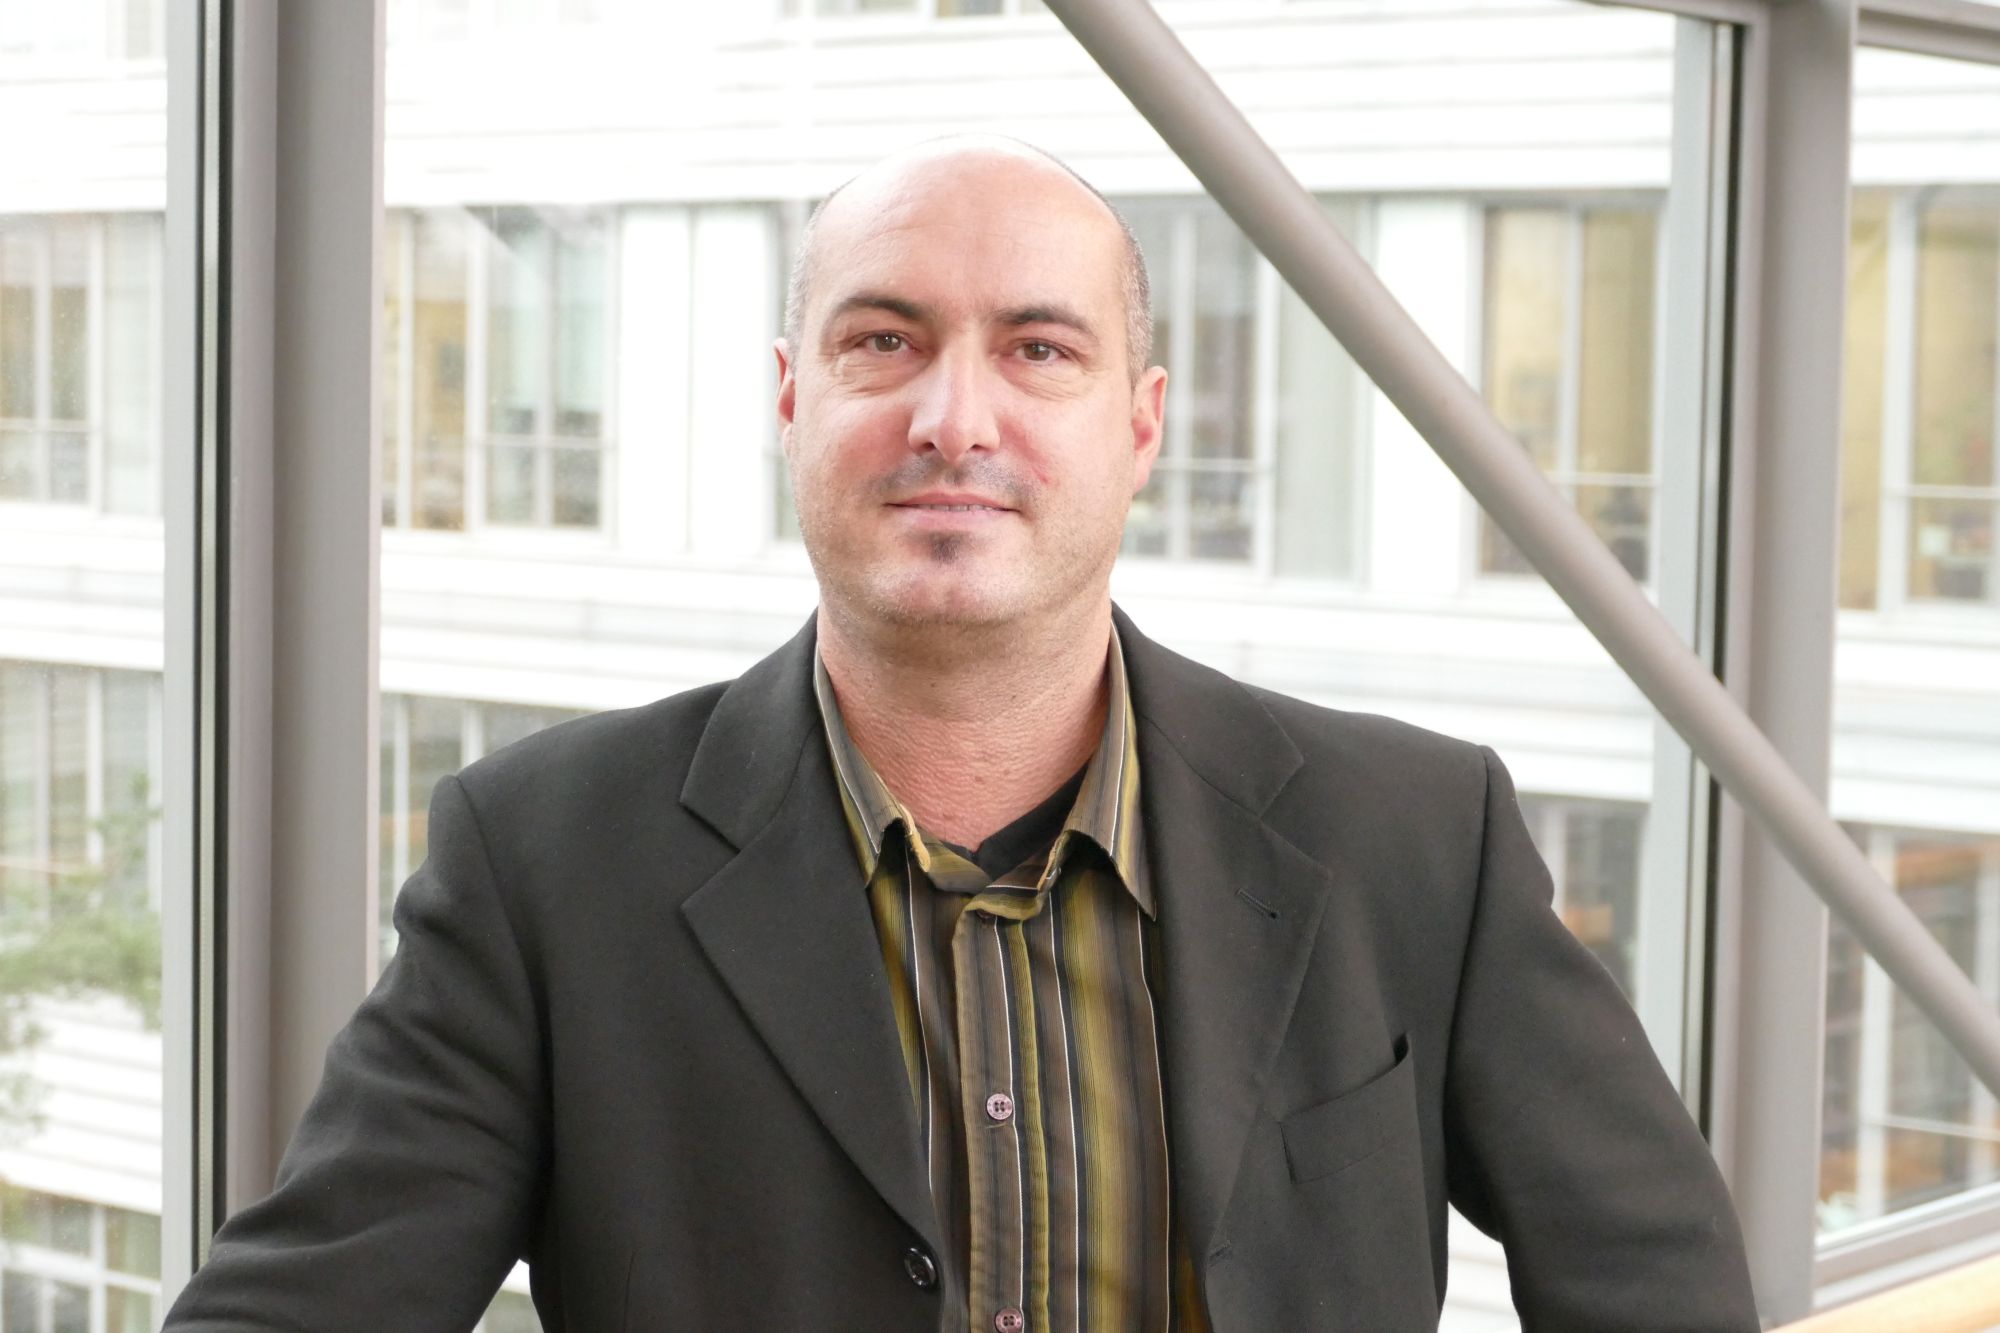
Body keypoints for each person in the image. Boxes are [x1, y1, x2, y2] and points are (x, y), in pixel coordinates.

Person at [165, 136, 1758, 1331]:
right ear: (792, 399)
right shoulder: (542, 860)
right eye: (884, 341)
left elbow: (1657, 1283)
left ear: (1139, 424)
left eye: (1038, 349)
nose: (953, 418)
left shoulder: (1412, 832)